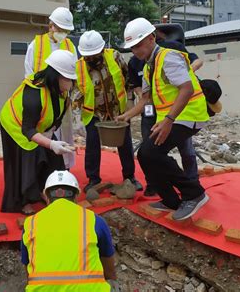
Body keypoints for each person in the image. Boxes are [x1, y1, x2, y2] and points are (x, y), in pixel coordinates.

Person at [119, 18, 209, 221]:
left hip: (189, 114)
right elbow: (146, 98)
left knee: (152, 152)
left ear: (151, 38)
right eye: (132, 48)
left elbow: (187, 89)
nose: (136, 51)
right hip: (173, 117)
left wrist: (168, 120)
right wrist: (126, 116)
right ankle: (170, 200)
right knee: (145, 154)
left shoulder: (168, 57)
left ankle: (194, 193)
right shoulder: (149, 66)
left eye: (138, 45)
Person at [0, 50, 77, 215]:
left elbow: (57, 113)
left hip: (39, 126)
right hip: (16, 125)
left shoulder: (58, 91)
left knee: (54, 159)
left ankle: (45, 189)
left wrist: (51, 133)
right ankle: (23, 200)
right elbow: (28, 131)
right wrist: (50, 143)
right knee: (27, 160)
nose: (71, 82)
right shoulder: (33, 94)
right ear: (57, 76)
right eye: (69, 78)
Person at [21, 170, 115, 291]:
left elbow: (28, 272)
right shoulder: (94, 220)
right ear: (76, 196)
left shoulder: (31, 223)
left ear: (46, 197)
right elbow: (110, 272)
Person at [73, 30, 143, 193]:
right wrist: (76, 118)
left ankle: (129, 177)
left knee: (124, 143)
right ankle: (93, 179)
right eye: (87, 56)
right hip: (94, 113)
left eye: (93, 55)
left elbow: (128, 80)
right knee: (92, 145)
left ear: (102, 49)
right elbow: (76, 92)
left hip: (118, 110)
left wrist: (130, 102)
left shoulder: (115, 57)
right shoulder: (78, 66)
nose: (90, 59)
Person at [24, 7, 78, 169]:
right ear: (51, 26)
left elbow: (74, 72)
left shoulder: (69, 46)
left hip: (62, 98)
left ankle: (64, 165)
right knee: (42, 132)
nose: (63, 33)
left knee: (64, 132)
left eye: (66, 30)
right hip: (42, 99)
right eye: (60, 29)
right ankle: (42, 165)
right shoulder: (36, 45)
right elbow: (29, 73)